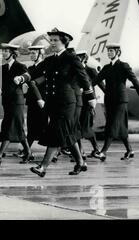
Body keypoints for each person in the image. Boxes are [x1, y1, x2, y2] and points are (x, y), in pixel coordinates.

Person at [30, 28, 97, 177]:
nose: (52, 43)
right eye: (51, 40)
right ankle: (80, 162)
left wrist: (91, 97)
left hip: (68, 102)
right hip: (54, 103)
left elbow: (84, 78)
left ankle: (43, 167)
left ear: (64, 42)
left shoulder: (71, 58)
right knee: (67, 133)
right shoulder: (51, 59)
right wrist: (23, 77)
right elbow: (35, 71)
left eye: (55, 40)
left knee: (57, 131)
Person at [93, 43, 139, 161]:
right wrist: (84, 88)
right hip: (110, 100)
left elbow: (133, 78)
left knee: (112, 125)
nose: (109, 53)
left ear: (117, 52)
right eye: (108, 51)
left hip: (121, 100)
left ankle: (103, 152)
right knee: (121, 127)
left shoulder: (123, 66)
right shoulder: (106, 68)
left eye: (111, 51)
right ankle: (129, 150)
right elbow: (96, 80)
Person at [0, 43, 31, 166]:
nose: (4, 53)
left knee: (9, 127)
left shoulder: (20, 66)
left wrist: (21, 78)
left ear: (13, 53)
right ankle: (28, 153)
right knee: (17, 127)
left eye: (6, 51)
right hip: (7, 101)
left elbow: (27, 76)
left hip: (17, 101)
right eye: (3, 51)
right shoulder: (2, 68)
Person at [76, 50, 102, 157]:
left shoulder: (90, 71)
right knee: (77, 126)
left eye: (80, 57)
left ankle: (95, 148)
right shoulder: (75, 71)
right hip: (78, 102)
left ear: (84, 58)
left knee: (86, 127)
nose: (77, 59)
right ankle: (82, 151)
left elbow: (100, 84)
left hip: (88, 103)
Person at [23, 45, 47, 163]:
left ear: (40, 54)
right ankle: (27, 151)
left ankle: (54, 152)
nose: (31, 55)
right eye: (30, 53)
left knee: (45, 126)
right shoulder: (30, 68)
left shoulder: (45, 66)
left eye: (34, 53)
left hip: (43, 100)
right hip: (32, 101)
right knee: (31, 126)